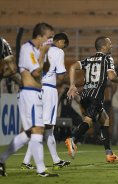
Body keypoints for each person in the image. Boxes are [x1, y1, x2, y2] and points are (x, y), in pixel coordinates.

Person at [0, 23, 58, 177]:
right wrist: (43, 53)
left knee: (28, 133)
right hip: (29, 94)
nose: (50, 41)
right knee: (38, 129)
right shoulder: (28, 49)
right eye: (49, 37)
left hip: (35, 93)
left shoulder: (38, 50)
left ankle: (1, 159)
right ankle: (41, 170)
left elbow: (44, 68)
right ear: (39, 36)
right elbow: (36, 71)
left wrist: (44, 54)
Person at [65, 36, 118, 163]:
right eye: (109, 43)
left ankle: (109, 154)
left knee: (105, 119)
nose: (111, 46)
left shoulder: (89, 59)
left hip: (85, 96)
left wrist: (72, 85)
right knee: (88, 121)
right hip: (96, 97)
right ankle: (73, 140)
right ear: (103, 46)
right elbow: (112, 76)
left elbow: (72, 67)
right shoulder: (108, 58)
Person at [21, 32, 71, 170]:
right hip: (48, 90)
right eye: (64, 45)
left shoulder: (39, 48)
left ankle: (55, 160)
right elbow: (61, 75)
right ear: (60, 41)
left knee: (47, 128)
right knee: (45, 127)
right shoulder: (58, 51)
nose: (63, 48)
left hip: (36, 89)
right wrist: (72, 83)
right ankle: (26, 161)